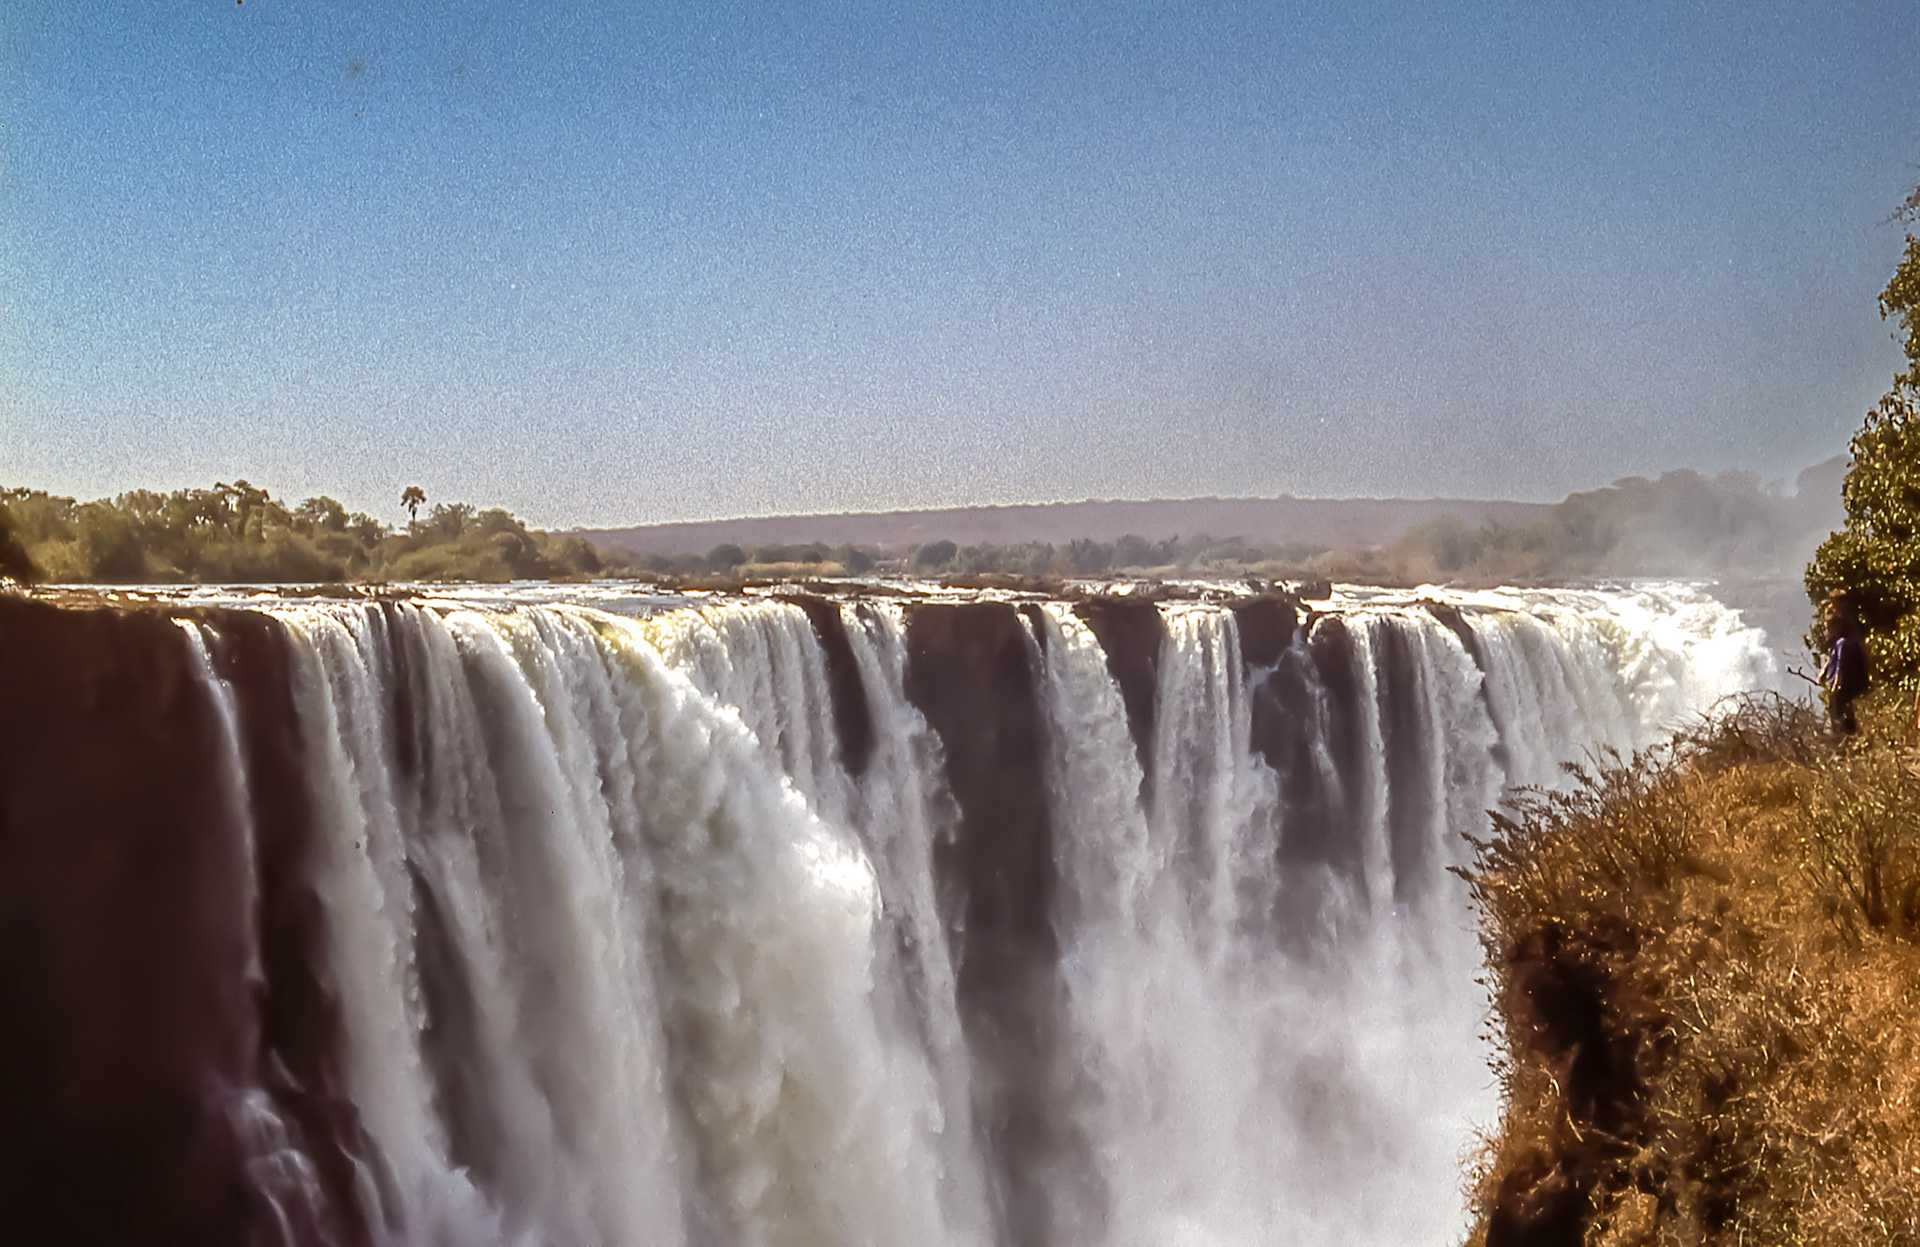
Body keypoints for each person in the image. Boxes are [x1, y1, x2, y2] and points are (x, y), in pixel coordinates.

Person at [1822, 592, 1870, 735]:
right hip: (1846, 678)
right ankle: (1848, 735)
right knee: (1843, 708)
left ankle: (1845, 736)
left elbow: (1841, 660)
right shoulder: (1839, 639)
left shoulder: (1847, 631)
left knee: (1840, 709)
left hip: (1847, 678)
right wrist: (1825, 670)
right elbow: (1834, 657)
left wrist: (1837, 679)